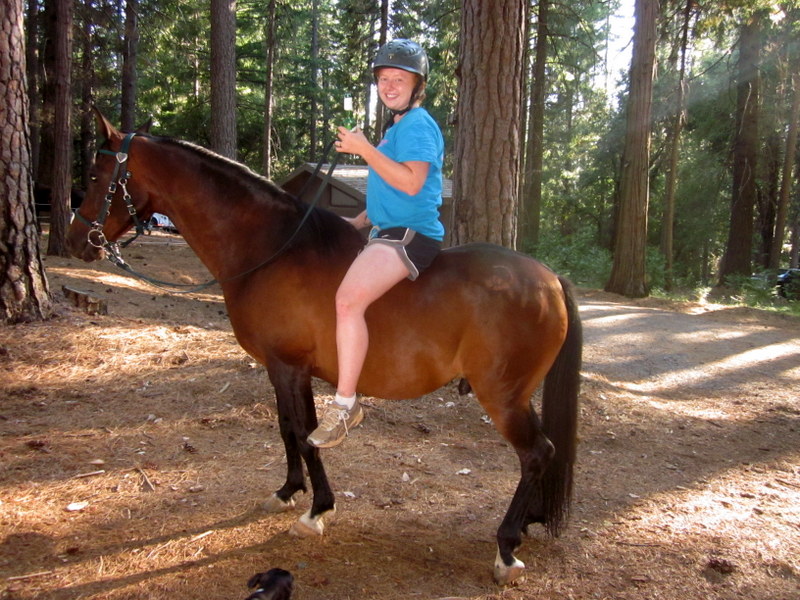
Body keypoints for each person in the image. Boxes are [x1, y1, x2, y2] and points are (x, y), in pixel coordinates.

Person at [307, 39, 445, 448]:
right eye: (383, 79)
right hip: (385, 229)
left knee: (347, 301)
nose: (389, 86)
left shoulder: (417, 125)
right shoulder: (396, 130)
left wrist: (364, 149)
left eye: (399, 79)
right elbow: (390, 186)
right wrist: (359, 220)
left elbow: (412, 182)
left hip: (410, 235)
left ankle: (345, 405)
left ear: (417, 85)